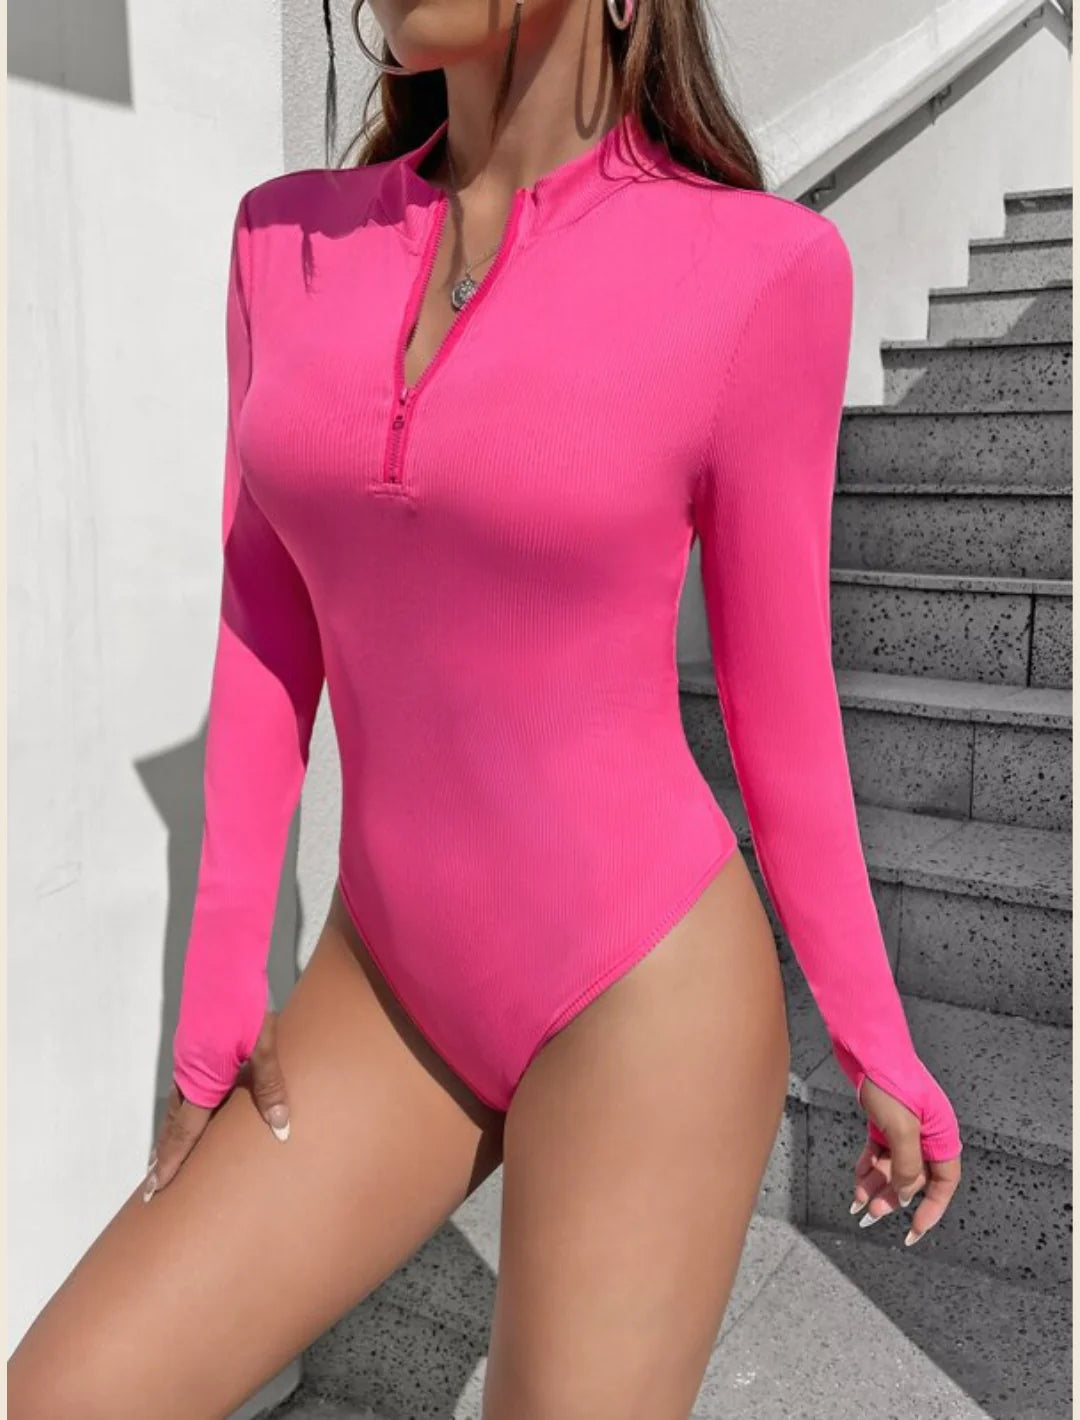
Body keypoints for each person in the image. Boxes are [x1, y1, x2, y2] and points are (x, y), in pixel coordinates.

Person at [8, 0, 964, 1415]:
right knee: (71, 1393)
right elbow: (264, 620)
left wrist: (874, 1032)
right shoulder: (283, 241)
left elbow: (783, 700)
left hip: (642, 993)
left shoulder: (758, 269)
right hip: (385, 982)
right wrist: (217, 996)